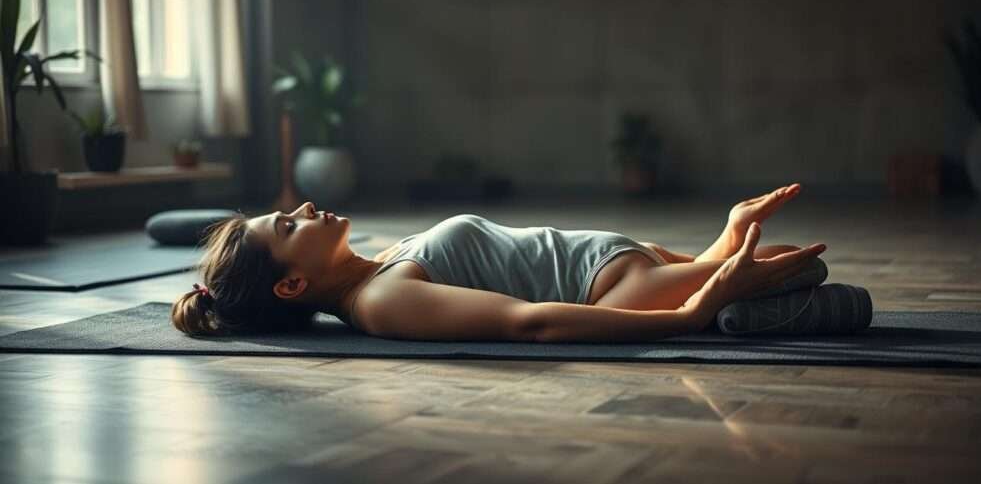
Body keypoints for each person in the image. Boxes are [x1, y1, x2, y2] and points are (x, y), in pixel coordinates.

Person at [171, 183, 826, 342]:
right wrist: (692, 313)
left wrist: (723, 238)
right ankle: (731, 310)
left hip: (623, 260)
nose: (305, 205)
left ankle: (734, 275)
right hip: (616, 285)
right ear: (292, 282)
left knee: (778, 260)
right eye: (288, 224)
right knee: (800, 267)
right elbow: (528, 322)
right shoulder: (379, 301)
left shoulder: (385, 260)